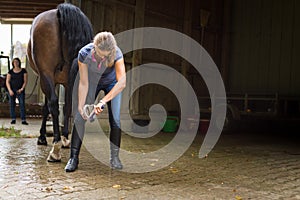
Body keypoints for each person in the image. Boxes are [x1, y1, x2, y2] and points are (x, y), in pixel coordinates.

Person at [65, 32, 126, 172]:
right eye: (100, 54)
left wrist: (102, 102)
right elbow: (84, 82)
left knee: (115, 119)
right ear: (94, 47)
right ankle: (73, 158)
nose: (103, 58)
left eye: (106, 55)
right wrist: (81, 106)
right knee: (80, 118)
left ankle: (115, 158)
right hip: (93, 82)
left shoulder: (116, 54)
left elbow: (121, 83)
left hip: (113, 84)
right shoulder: (84, 53)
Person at [6, 57, 28, 125]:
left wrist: (22, 89)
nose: (16, 63)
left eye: (17, 62)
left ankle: (23, 119)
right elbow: (7, 81)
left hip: (20, 90)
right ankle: (13, 119)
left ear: (19, 63)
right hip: (12, 90)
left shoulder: (23, 71)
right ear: (13, 63)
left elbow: (25, 81)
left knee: (22, 104)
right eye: (14, 62)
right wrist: (10, 90)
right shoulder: (10, 71)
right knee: (12, 104)